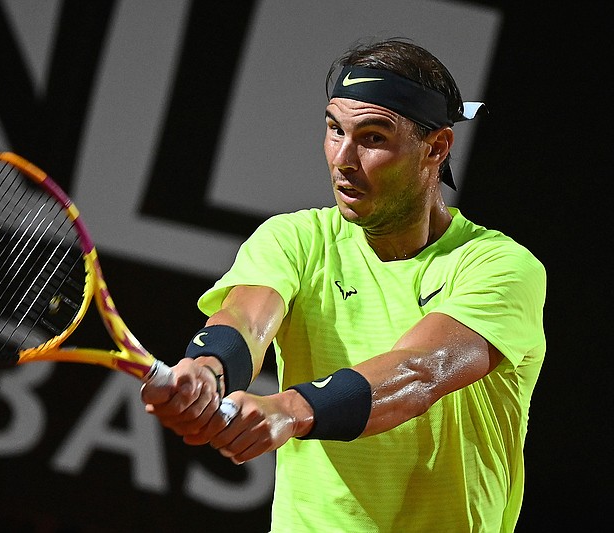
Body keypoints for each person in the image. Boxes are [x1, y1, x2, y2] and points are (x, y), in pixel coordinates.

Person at [141, 38, 546, 532]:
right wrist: (209, 370)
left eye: (373, 137)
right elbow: (244, 319)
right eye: (335, 129)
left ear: (436, 147)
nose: (343, 158)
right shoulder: (294, 239)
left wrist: (290, 409)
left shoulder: (499, 267)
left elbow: (420, 372)